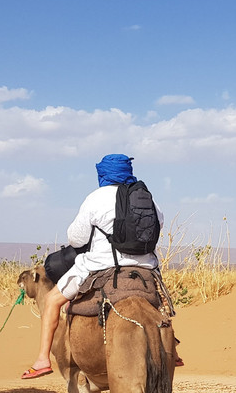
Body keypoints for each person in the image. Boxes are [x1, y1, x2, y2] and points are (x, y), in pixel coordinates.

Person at [22, 153, 164, 379]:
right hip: (145, 268)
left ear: (103, 173)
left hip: (100, 266)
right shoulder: (147, 197)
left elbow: (76, 239)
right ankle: (171, 349)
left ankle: (42, 360)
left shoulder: (96, 198)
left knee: (52, 300)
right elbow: (158, 226)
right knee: (160, 303)